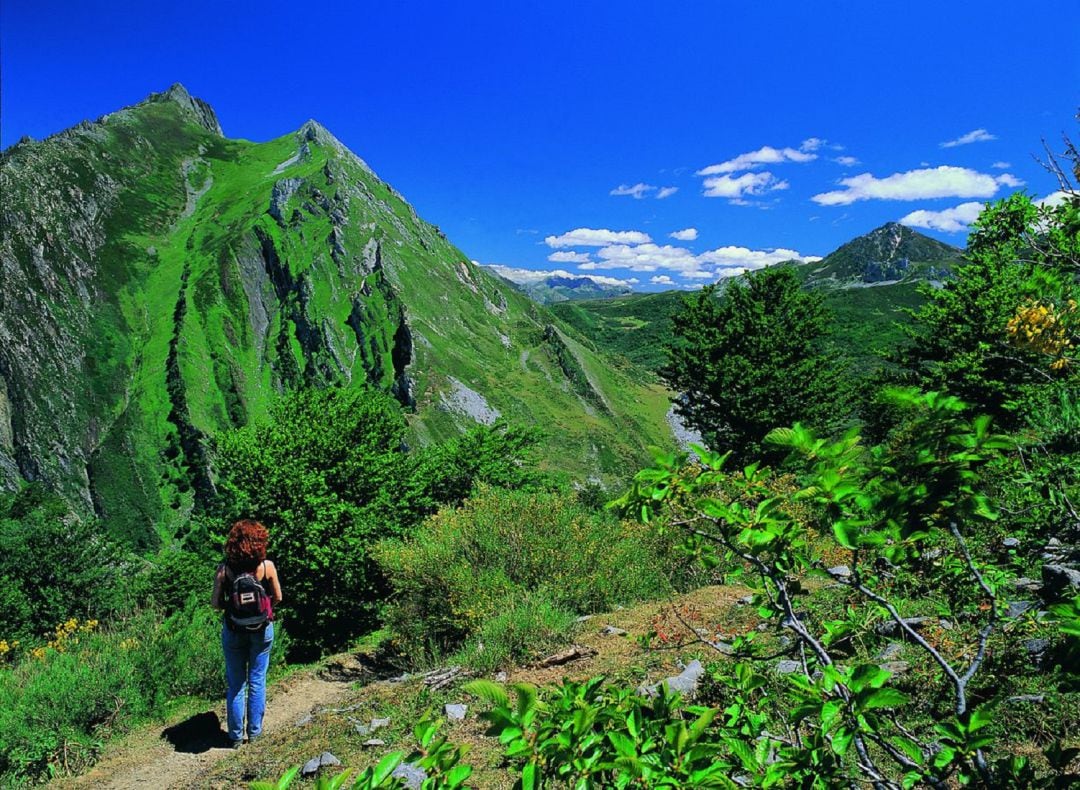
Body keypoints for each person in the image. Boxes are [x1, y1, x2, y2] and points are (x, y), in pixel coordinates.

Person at [211, 519, 283, 748]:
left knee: (236, 684)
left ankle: (234, 737)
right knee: (257, 679)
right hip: (262, 630)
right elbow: (278, 597)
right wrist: (262, 610)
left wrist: (233, 610)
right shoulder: (266, 567)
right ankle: (255, 734)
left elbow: (215, 603)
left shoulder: (224, 570)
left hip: (233, 630)